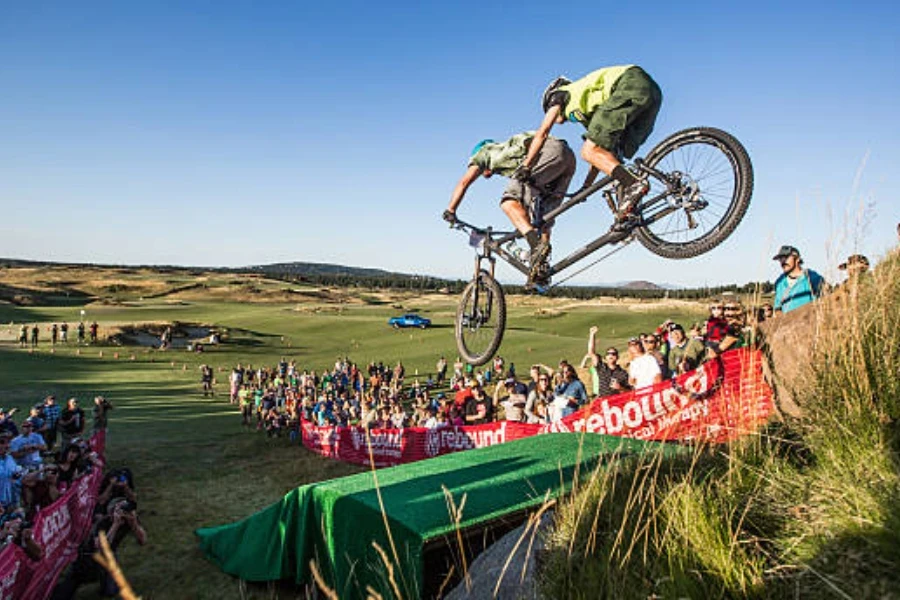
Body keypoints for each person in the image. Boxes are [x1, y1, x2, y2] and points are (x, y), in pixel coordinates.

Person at [521, 66, 663, 228]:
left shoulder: (559, 95)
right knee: (612, 156)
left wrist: (526, 166)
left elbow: (543, 133)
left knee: (589, 151)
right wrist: (586, 187)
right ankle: (629, 214)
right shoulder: (589, 109)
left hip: (628, 83)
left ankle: (634, 184)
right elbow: (599, 152)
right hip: (652, 92)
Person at [444, 132, 576, 285]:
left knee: (508, 202)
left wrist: (451, 210)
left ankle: (537, 247)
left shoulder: (483, 153)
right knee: (544, 219)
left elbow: (464, 183)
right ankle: (541, 269)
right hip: (568, 158)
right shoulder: (507, 152)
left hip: (548, 151)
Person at [772, 245, 825, 314]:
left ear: (797, 259)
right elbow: (778, 308)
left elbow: (826, 300)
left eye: (786, 257)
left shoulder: (812, 277)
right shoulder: (779, 283)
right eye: (780, 259)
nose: (783, 261)